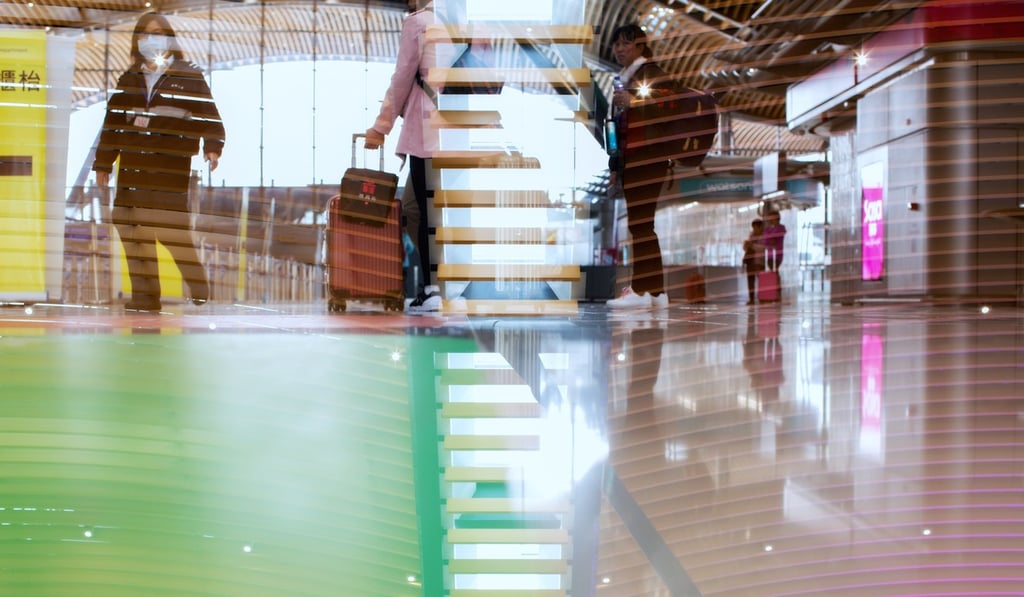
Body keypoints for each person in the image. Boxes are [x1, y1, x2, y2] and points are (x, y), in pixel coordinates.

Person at [93, 12, 224, 312]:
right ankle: (145, 297)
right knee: (130, 226)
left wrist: (212, 147)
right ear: (137, 40)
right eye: (145, 34)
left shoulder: (188, 76)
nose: (151, 39)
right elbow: (112, 124)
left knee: (170, 230)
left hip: (169, 167)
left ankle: (195, 277)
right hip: (133, 166)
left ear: (169, 39)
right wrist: (103, 163)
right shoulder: (129, 79)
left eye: (158, 33)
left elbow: (210, 117)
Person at [364, 0, 446, 312]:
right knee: (414, 205)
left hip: (428, 128)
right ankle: (438, 285)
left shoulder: (419, 22)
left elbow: (402, 75)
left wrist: (380, 126)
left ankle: (434, 288)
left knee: (426, 211)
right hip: (463, 129)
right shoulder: (469, 24)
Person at [605, 24, 676, 310]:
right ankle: (655, 293)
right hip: (633, 160)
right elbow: (617, 129)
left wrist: (634, 101)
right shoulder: (623, 79)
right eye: (617, 44)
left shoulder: (652, 73)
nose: (620, 49)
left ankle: (647, 290)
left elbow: (669, 106)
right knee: (641, 225)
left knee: (641, 225)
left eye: (626, 43)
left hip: (649, 158)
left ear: (641, 46)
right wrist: (615, 166)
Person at [742, 218, 765, 304]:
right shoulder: (751, 236)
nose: (755, 229)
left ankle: (762, 298)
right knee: (750, 280)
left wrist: (752, 245)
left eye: (756, 227)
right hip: (750, 261)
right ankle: (751, 299)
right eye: (754, 227)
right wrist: (746, 245)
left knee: (761, 280)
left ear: (761, 227)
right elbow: (745, 249)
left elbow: (763, 248)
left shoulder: (764, 236)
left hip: (760, 262)